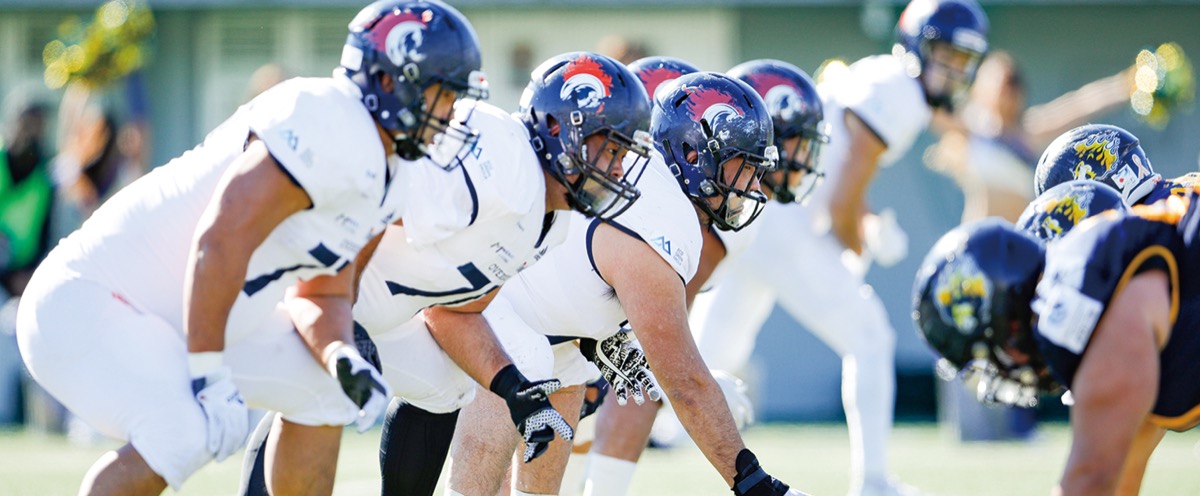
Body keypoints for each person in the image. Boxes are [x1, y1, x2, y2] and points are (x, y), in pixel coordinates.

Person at [14, 0, 487, 493]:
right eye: (443, 94)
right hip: (90, 300)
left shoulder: (392, 172)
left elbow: (320, 295)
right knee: (184, 431)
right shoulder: (323, 115)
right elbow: (219, 241)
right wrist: (208, 370)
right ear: (392, 82)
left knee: (325, 392)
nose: (451, 115)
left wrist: (341, 356)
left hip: (188, 318)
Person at [236, 50, 654, 496]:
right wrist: (337, 313)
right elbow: (373, 197)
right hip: (306, 283)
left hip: (378, 307)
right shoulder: (499, 160)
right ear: (557, 129)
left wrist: (513, 389)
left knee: (445, 384)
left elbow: (457, 312)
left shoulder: (552, 221)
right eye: (611, 148)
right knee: (308, 386)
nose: (617, 168)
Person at [441, 71, 806, 496]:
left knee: (566, 374)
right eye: (744, 166)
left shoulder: (658, 191)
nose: (753, 185)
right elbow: (685, 383)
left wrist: (606, 337)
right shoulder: (662, 222)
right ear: (693, 155)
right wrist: (752, 481)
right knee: (531, 361)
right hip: (482, 305)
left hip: (538, 320)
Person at [689, 1, 989, 494]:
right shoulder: (904, 96)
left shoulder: (881, 74)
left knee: (713, 350)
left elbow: (841, 181)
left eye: (962, 58)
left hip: (757, 210)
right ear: (918, 44)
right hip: (788, 216)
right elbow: (843, 198)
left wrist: (860, 223)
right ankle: (872, 479)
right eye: (945, 53)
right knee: (869, 338)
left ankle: (640, 439)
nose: (953, 69)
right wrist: (858, 242)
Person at [582, 58, 828, 495]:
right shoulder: (672, 211)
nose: (755, 182)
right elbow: (656, 345)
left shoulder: (680, 201)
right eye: (745, 162)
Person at [912, 197, 1200, 494]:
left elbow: (1090, 480)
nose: (1001, 371)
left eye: (991, 355)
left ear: (1010, 323)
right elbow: (1121, 478)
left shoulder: (1086, 305)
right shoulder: (1098, 277)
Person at [925, 46, 1191, 223]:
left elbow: (1081, 104)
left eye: (1013, 82)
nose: (1007, 88)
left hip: (1023, 242)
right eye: (1000, 81)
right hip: (979, 238)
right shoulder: (969, 129)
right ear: (981, 85)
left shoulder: (1029, 131)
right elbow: (926, 104)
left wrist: (1128, 83)